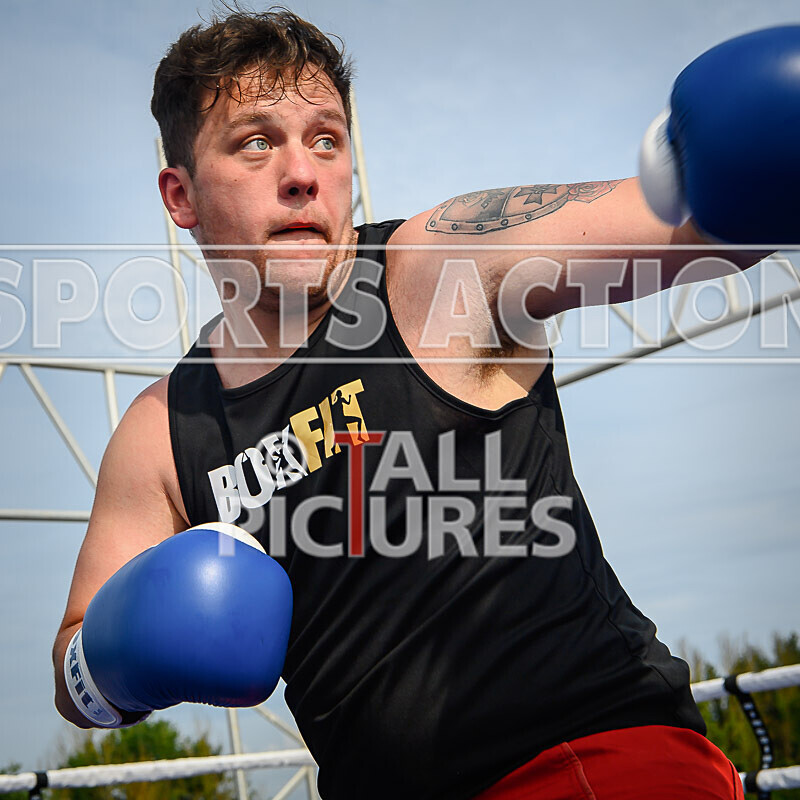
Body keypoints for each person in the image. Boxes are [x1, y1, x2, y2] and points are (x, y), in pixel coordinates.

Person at [52, 8, 796, 799]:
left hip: (587, 761)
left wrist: (751, 150)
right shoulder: (162, 430)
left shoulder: (438, 268)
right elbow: (73, 676)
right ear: (181, 195)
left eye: (326, 139)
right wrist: (123, 651)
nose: (302, 172)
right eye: (256, 141)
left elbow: (688, 220)